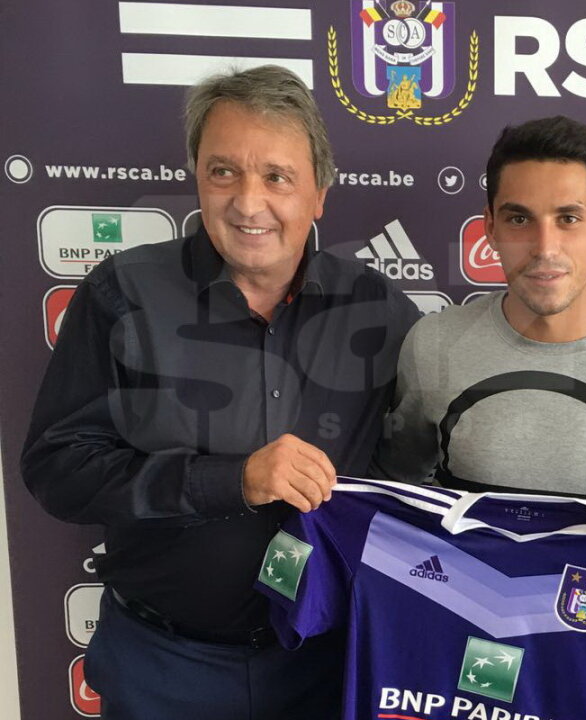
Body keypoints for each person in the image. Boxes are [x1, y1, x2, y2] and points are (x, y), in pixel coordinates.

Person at [20, 65, 421, 719]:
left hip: (324, 666)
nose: (247, 202)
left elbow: (430, 470)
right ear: (197, 177)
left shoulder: (381, 311)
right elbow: (58, 470)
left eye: (277, 177)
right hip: (162, 668)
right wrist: (230, 481)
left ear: (319, 192)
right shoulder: (122, 295)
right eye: (223, 171)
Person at [373, 115, 586, 720]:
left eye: (569, 218)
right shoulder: (433, 345)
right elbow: (394, 497)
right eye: (518, 219)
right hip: (459, 679)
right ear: (488, 227)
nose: (544, 247)